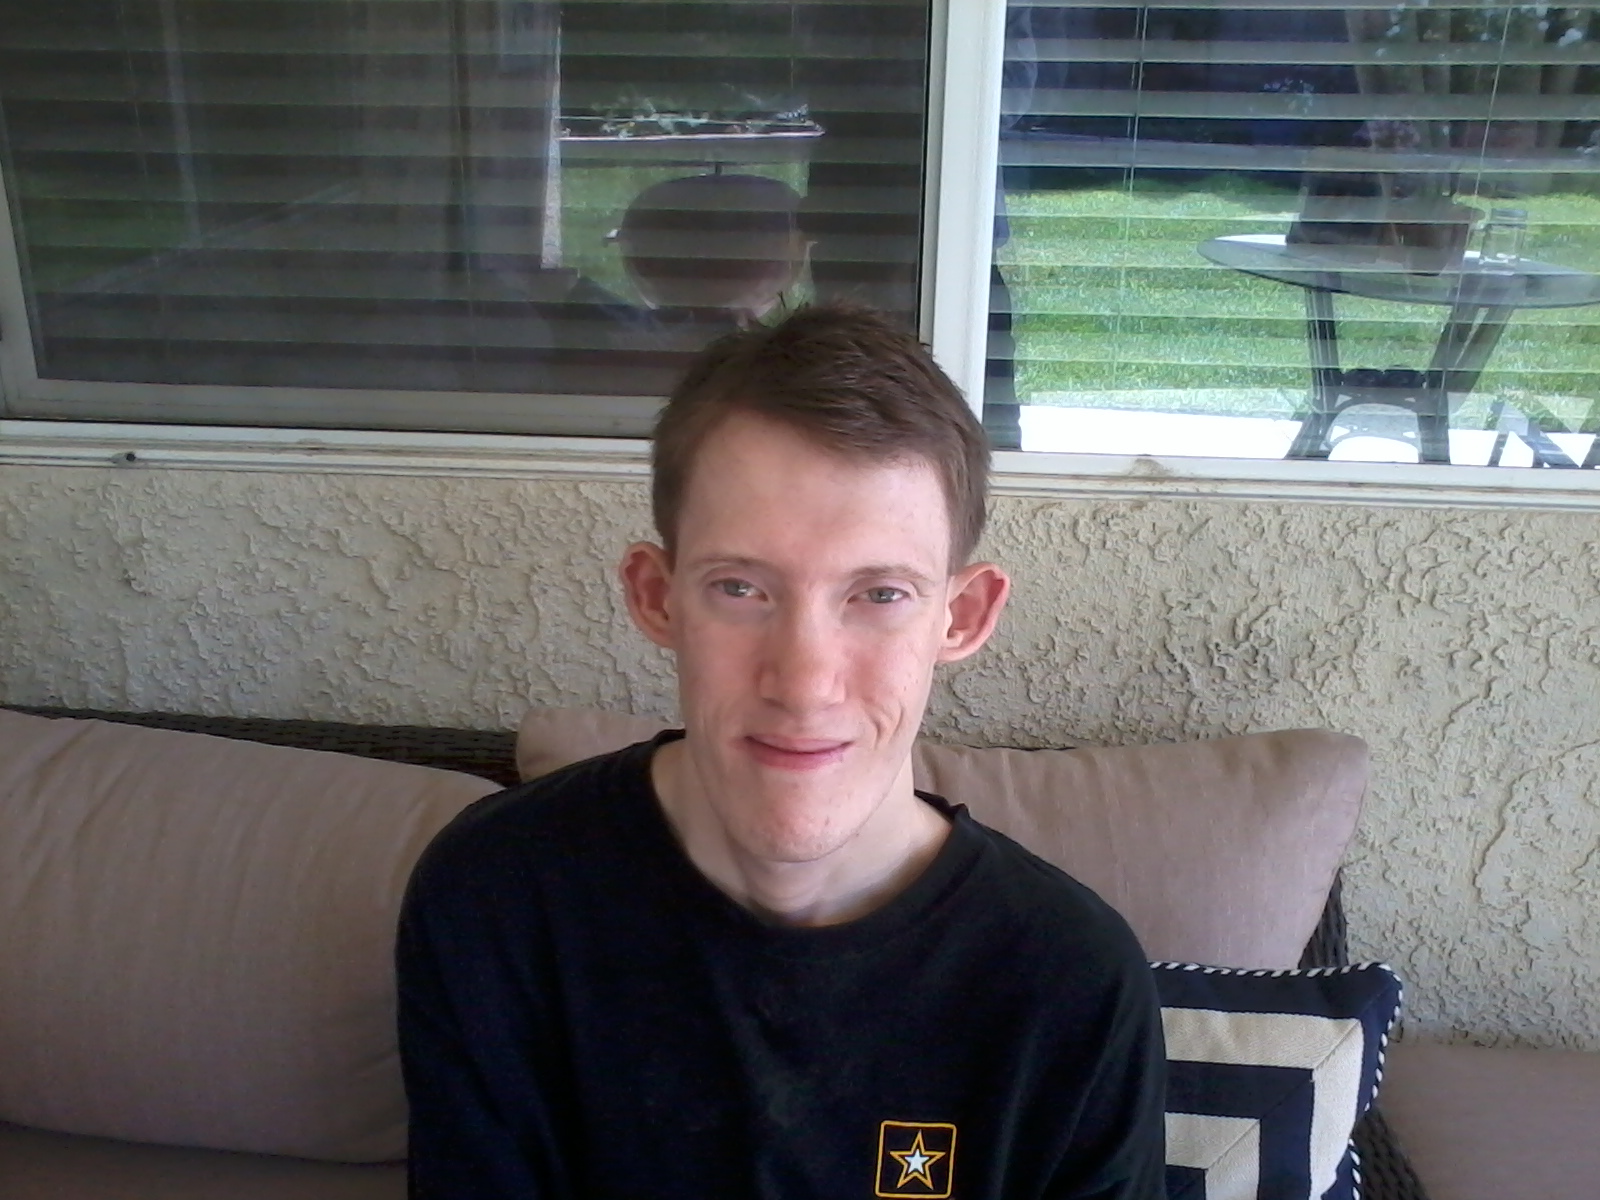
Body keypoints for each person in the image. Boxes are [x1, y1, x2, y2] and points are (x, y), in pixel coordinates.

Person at [396, 303, 1167, 1200]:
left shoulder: (1071, 979)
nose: (804, 682)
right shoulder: (498, 895)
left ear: (961, 616)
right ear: (657, 597)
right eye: (740, 588)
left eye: (879, 594)